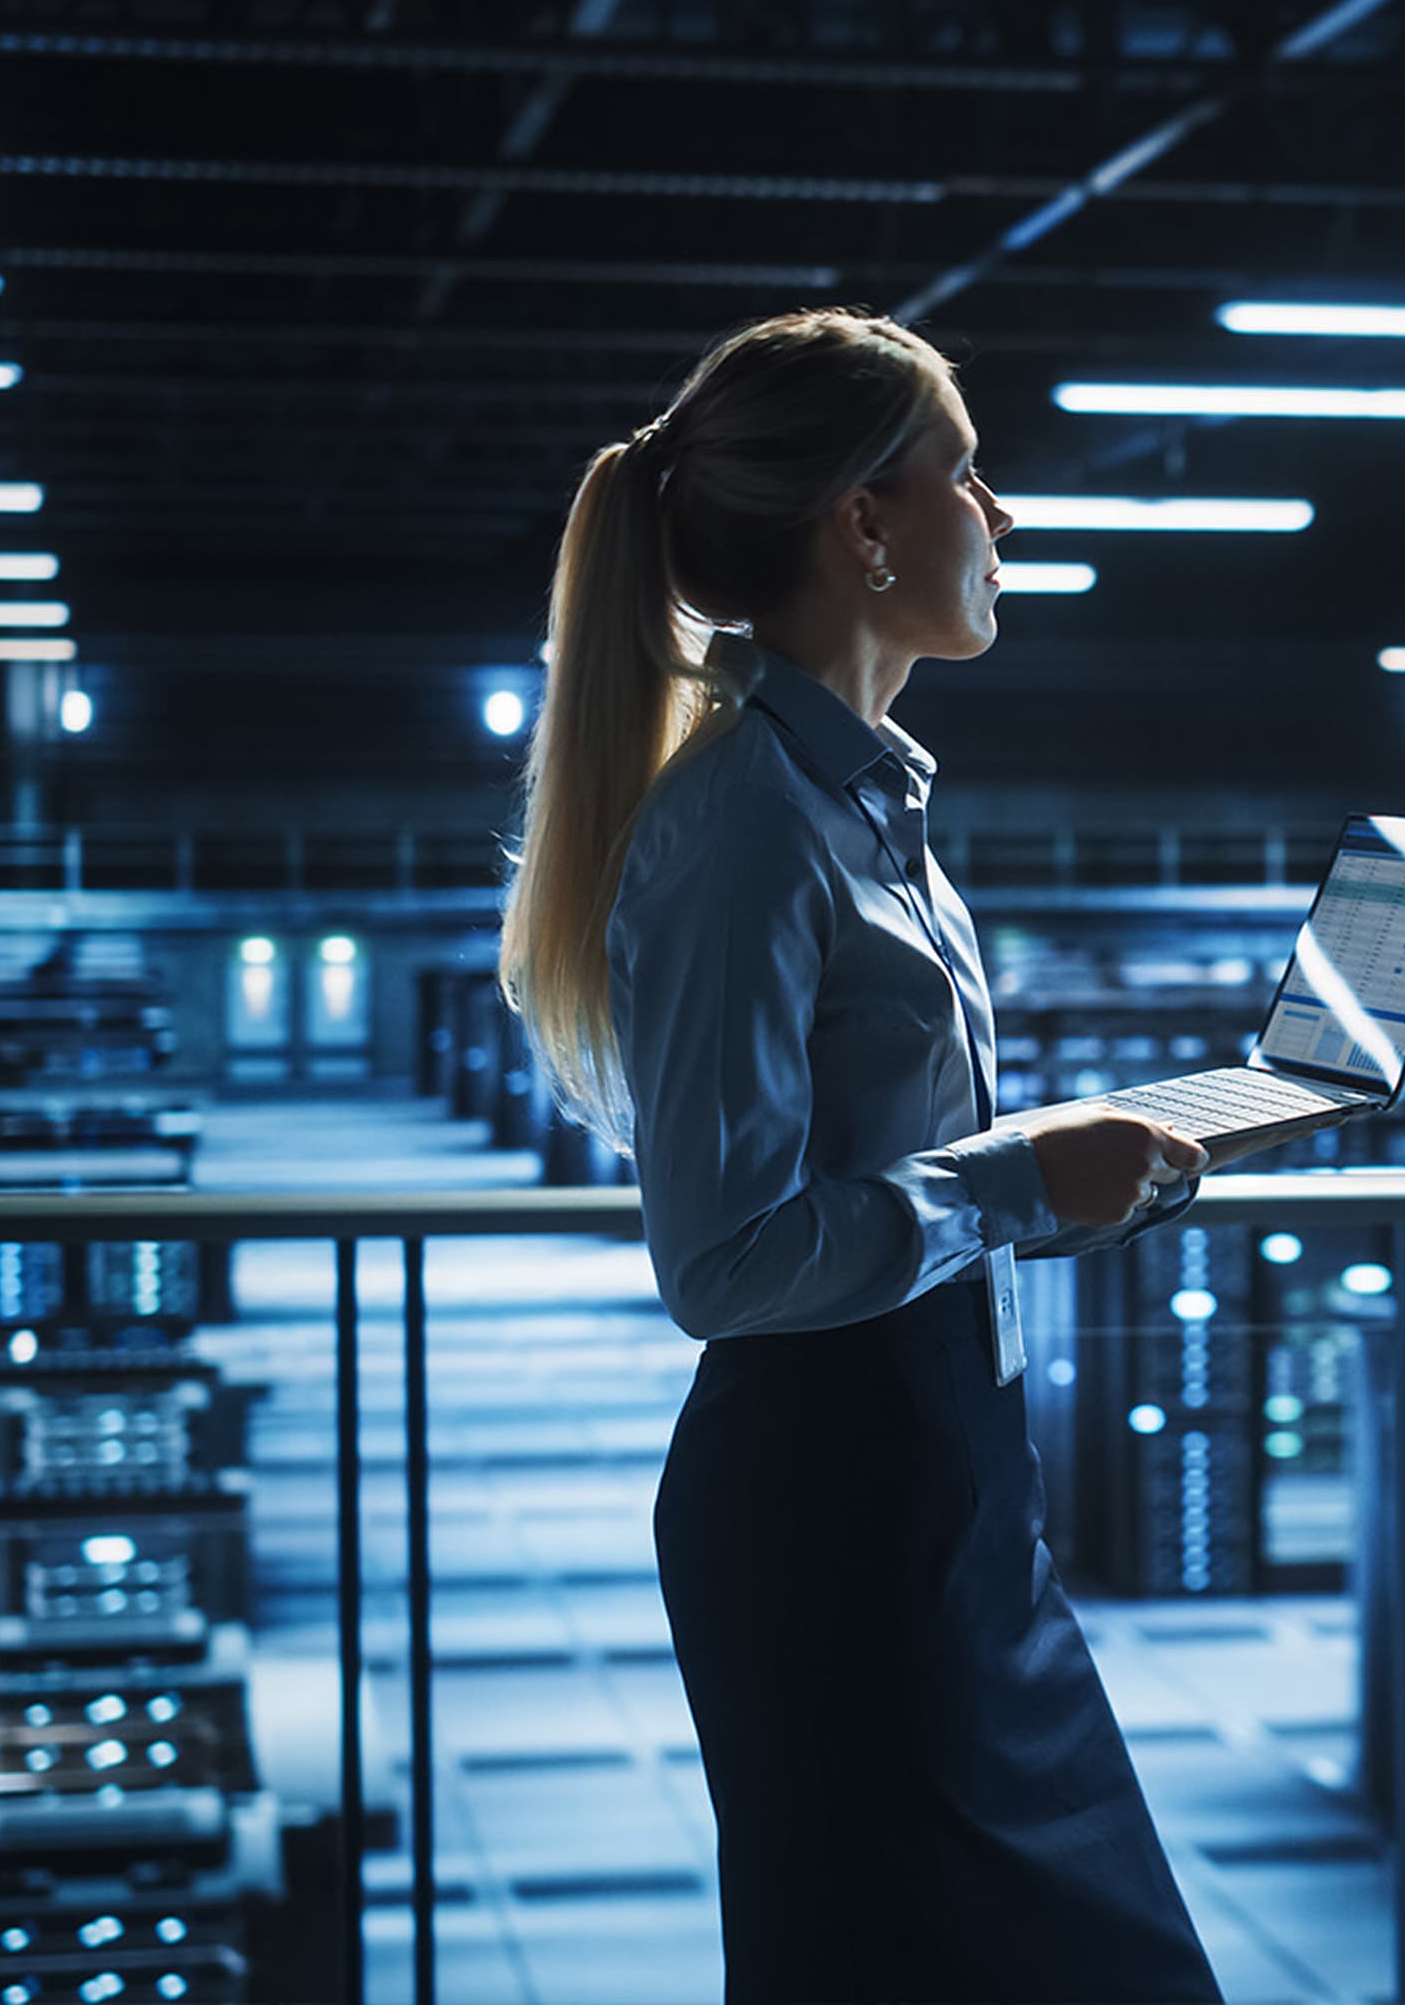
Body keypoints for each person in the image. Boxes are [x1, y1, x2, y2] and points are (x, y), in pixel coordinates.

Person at [500, 308, 1257, 2002]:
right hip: (834, 1516)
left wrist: (1073, 1174)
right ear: (861, 525)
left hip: (948, 1486)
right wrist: (1008, 1183)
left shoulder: (860, 806)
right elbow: (724, 1264)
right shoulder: (743, 825)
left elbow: (887, 1174)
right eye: (967, 477)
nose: (1004, 519)